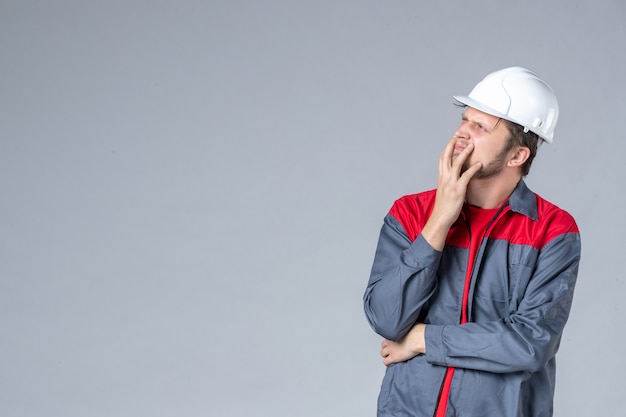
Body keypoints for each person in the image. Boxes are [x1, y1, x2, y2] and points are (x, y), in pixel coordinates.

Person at [363, 67, 581, 417]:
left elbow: (530, 343)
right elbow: (387, 319)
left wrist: (423, 340)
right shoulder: (410, 213)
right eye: (465, 119)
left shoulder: (553, 231)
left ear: (517, 156)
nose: (462, 132)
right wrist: (439, 220)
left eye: (481, 127)